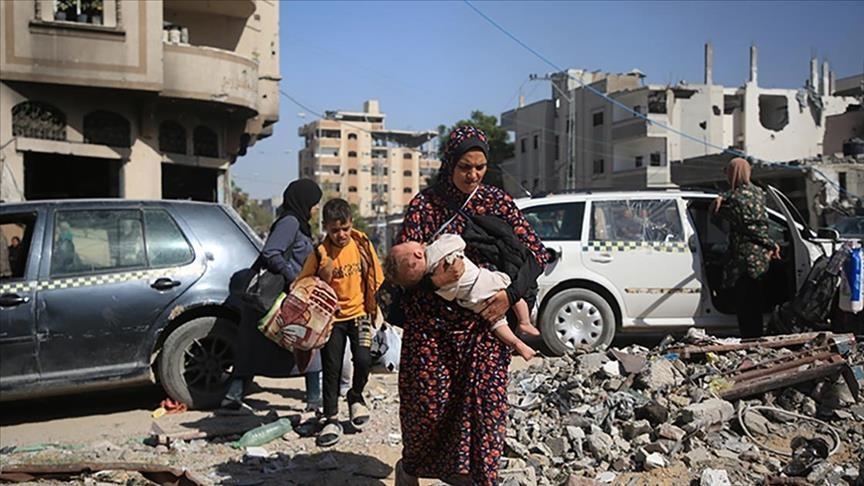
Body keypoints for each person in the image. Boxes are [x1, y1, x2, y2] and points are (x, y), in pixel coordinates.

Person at [394, 126, 548, 485]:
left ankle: (475, 478)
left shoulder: (498, 202)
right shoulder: (425, 206)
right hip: (433, 331)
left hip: (486, 327)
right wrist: (436, 282)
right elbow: (404, 271)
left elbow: (536, 254)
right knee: (429, 410)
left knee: (485, 410)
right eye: (465, 166)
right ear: (450, 163)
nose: (473, 175)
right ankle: (411, 468)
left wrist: (509, 296)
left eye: (480, 167)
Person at [223, 179, 324, 411]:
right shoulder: (290, 222)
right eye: (314, 203)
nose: (316, 207)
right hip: (277, 299)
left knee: (304, 344)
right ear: (304, 202)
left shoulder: (299, 224)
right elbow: (271, 252)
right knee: (302, 343)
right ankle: (233, 398)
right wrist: (293, 277)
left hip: (290, 298)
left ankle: (314, 399)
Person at [295, 198, 384, 447]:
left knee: (364, 359)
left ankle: (356, 396)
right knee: (331, 368)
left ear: (351, 223)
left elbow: (375, 277)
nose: (341, 234)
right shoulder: (320, 253)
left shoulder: (362, 245)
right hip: (332, 321)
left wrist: (375, 307)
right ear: (325, 227)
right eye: (335, 230)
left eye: (345, 228)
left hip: (359, 314)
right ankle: (331, 418)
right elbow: (302, 283)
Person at [384, 234, 538, 360]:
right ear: (418, 254)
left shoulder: (431, 279)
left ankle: (516, 344)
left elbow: (449, 296)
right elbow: (458, 241)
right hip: (482, 282)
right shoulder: (436, 249)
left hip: (469, 300)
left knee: (496, 322)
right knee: (511, 292)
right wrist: (442, 238)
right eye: (409, 243)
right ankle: (524, 322)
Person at [711, 157, 780, 339]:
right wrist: (771, 244)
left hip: (744, 261)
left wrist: (719, 201)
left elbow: (750, 226)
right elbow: (762, 225)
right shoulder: (759, 193)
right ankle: (754, 337)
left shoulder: (734, 198)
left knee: (746, 305)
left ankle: (751, 339)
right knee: (754, 302)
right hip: (760, 259)